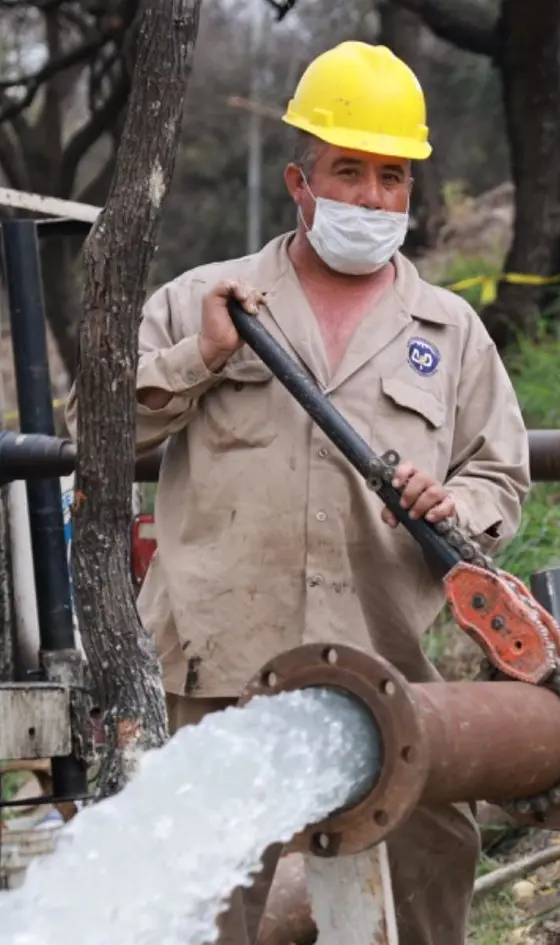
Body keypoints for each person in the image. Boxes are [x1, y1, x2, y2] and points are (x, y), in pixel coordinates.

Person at [66, 40, 530, 945]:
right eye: (346, 171)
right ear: (299, 180)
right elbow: (95, 436)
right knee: (196, 912)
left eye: (390, 177)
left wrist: (457, 505)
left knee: (434, 863)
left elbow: (500, 472)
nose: (369, 197)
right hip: (214, 671)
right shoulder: (207, 301)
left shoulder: (450, 333)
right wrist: (201, 357)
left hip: (383, 672)